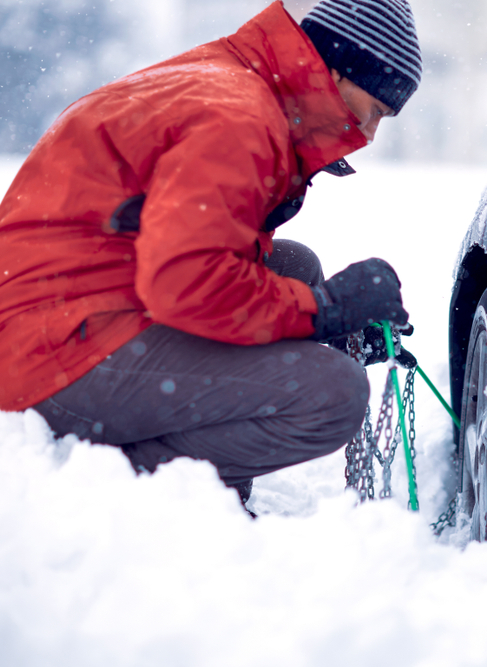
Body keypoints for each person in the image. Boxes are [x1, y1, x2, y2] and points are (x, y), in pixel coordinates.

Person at [0, 0, 423, 509]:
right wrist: (324, 311)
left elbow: (200, 255)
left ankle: (173, 460)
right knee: (333, 396)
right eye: (375, 109)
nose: (371, 134)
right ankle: (125, 483)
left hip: (64, 306)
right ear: (336, 71)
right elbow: (186, 283)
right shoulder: (238, 118)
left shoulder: (233, 79)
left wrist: (326, 319)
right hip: (51, 354)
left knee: (297, 267)